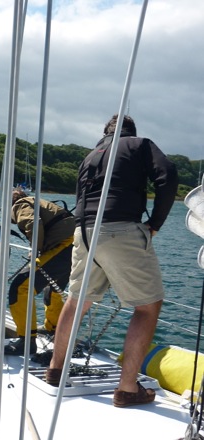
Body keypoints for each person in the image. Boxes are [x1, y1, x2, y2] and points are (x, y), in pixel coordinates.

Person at [46, 114, 178, 407]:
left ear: (104, 134)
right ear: (131, 132)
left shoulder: (90, 156)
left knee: (77, 299)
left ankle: (55, 370)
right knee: (147, 307)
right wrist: (154, 223)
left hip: (83, 231)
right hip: (120, 229)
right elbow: (167, 175)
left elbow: (81, 197)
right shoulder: (139, 144)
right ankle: (128, 389)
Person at [5, 189, 75, 355]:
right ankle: (52, 328)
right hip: (75, 245)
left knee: (20, 287)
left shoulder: (19, 205)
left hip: (64, 245)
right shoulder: (36, 201)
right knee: (53, 287)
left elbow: (33, 224)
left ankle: (26, 342)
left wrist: (35, 250)